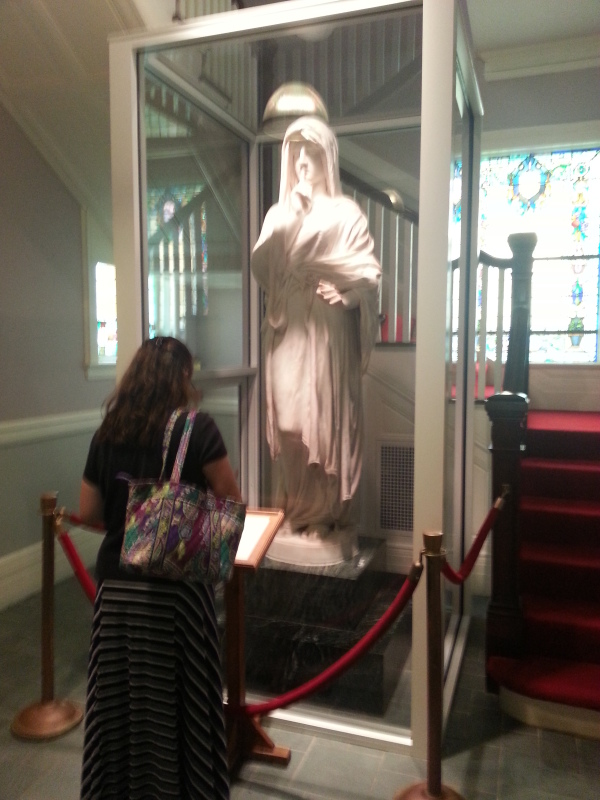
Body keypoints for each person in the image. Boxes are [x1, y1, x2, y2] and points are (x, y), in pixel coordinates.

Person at [78, 336, 241, 800]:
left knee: (121, 711)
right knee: (184, 712)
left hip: (116, 597)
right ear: (182, 378)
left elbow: (89, 511)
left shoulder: (107, 432)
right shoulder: (197, 429)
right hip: (177, 600)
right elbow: (230, 500)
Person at [251, 116, 381, 565]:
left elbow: (368, 273)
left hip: (326, 328)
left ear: (328, 158)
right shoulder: (280, 212)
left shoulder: (347, 214)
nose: (302, 162)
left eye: (311, 152)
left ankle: (322, 517)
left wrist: (348, 297)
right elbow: (266, 266)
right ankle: (295, 507)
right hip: (288, 324)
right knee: (289, 421)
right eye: (295, 154)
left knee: (323, 421)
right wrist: (294, 214)